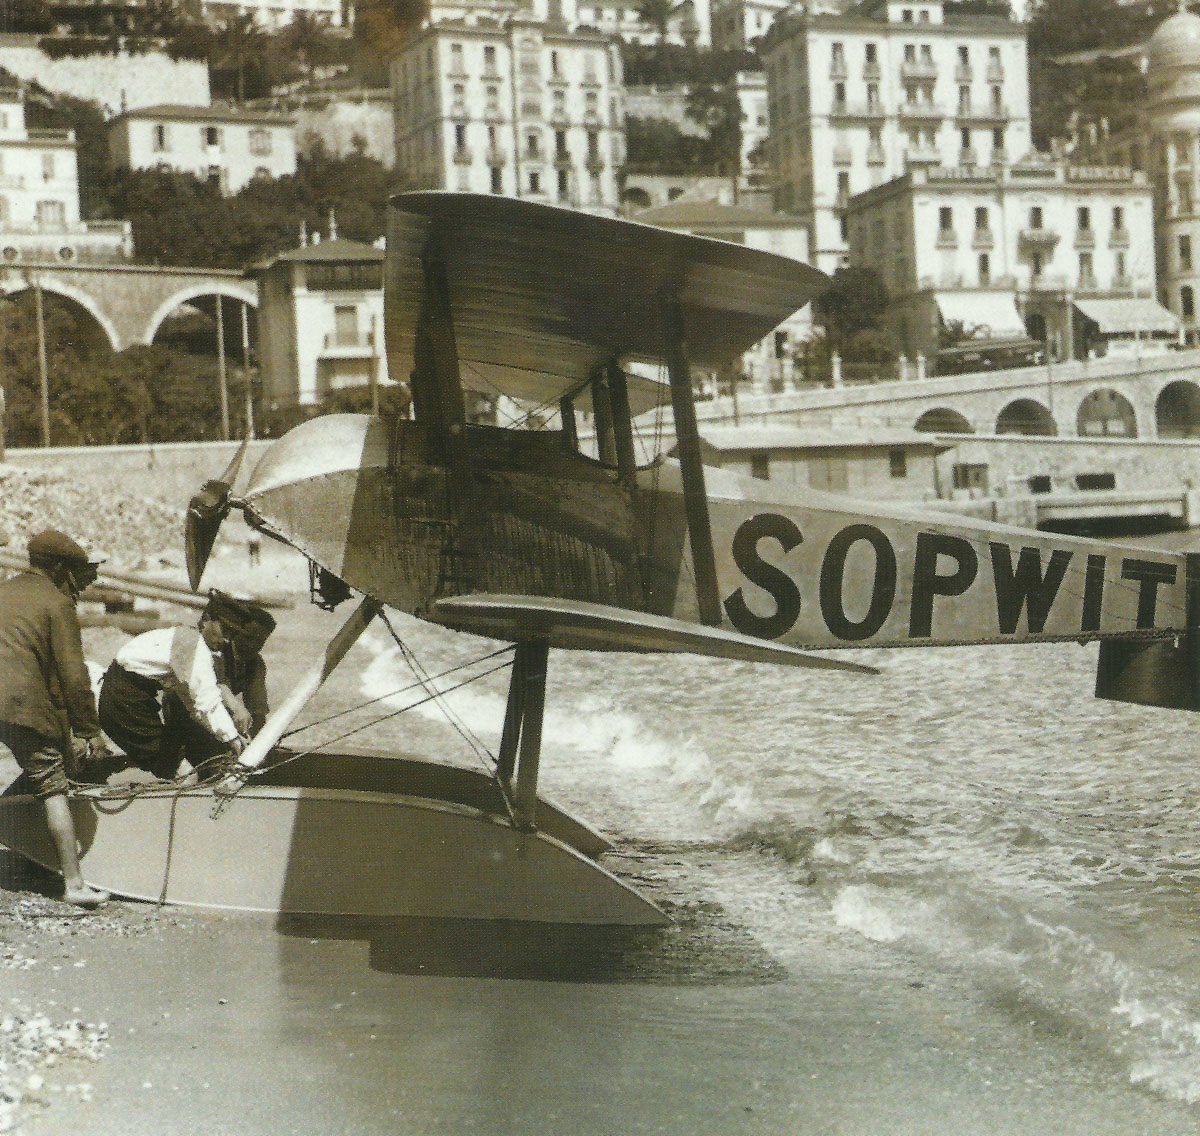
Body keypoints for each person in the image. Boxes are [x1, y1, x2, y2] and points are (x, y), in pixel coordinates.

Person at [0, 530, 111, 908]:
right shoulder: (57, 602)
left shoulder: (3, 590)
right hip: (21, 706)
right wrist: (89, 730)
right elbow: (74, 675)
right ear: (61, 568)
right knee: (53, 787)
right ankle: (75, 885)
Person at [98, 601, 248, 783]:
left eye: (232, 635)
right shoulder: (194, 648)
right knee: (184, 773)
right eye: (225, 631)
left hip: (125, 698)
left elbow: (194, 705)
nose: (226, 640)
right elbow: (208, 703)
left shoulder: (184, 639)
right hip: (125, 704)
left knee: (171, 763)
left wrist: (230, 735)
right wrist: (232, 739)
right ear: (206, 620)